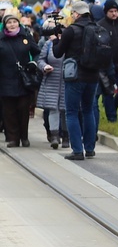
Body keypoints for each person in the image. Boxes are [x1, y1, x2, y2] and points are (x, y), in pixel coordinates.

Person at [52, 1, 99, 160]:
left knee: (71, 112)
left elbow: (58, 53)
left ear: (77, 14)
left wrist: (55, 40)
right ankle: (90, 149)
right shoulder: (97, 28)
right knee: (88, 110)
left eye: (73, 13)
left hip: (75, 76)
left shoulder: (71, 31)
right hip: (93, 75)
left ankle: (77, 150)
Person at [0, 12, 40, 147]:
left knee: (23, 109)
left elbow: (37, 52)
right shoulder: (1, 39)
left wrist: (33, 63)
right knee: (9, 110)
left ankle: (24, 136)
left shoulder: (26, 36)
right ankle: (13, 138)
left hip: (24, 79)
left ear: (18, 23)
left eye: (14, 22)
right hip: (5, 79)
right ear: (5, 25)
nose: (12, 25)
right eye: (9, 22)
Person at [37, 18, 68, 149]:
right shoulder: (48, 44)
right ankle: (54, 136)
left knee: (66, 110)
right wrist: (44, 67)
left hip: (67, 80)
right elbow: (41, 59)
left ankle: (66, 136)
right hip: (52, 79)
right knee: (53, 109)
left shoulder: (70, 44)